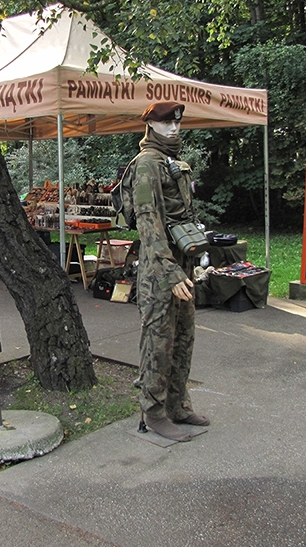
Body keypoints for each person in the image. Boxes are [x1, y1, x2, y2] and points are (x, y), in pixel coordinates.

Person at [131, 101, 209, 442]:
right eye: (166, 124)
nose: (174, 129)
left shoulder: (172, 163)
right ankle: (153, 412)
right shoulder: (147, 164)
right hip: (160, 272)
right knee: (158, 342)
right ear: (151, 126)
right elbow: (148, 222)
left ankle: (177, 405)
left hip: (182, 266)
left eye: (177, 123)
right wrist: (171, 272)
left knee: (183, 338)